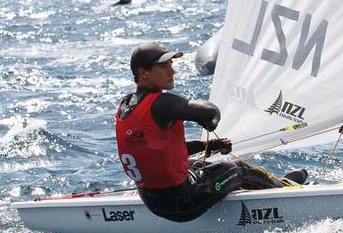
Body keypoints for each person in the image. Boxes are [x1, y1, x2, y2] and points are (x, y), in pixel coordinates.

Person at [115, 42, 307, 223]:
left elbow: (159, 153)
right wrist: (209, 120)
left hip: (152, 202)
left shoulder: (126, 105)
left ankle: (260, 187)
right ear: (143, 73)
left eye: (171, 64)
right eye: (164, 66)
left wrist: (210, 146)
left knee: (199, 164)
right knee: (235, 168)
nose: (172, 71)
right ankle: (285, 189)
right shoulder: (161, 103)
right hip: (183, 202)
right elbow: (210, 111)